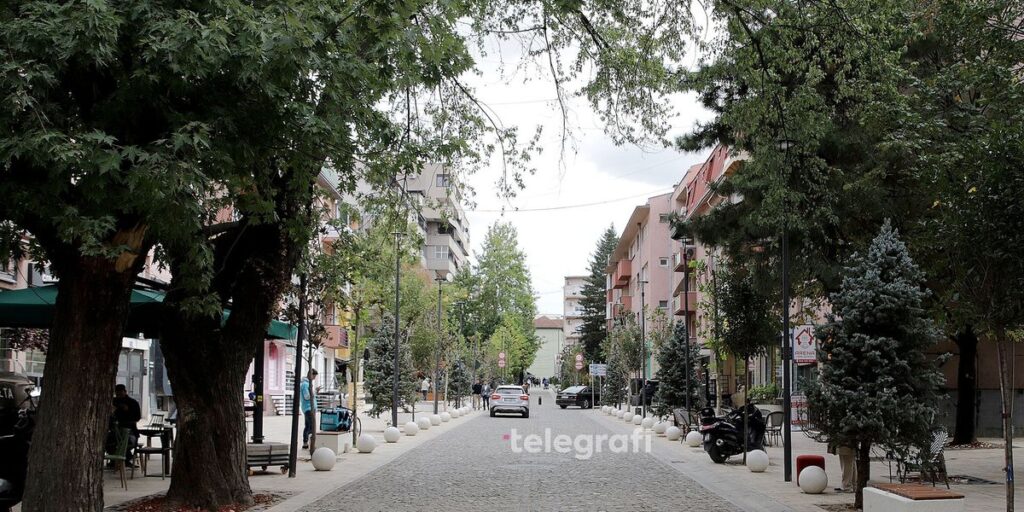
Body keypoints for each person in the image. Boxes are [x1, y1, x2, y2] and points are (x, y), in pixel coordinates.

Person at [112, 384, 141, 465]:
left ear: (125, 392)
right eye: (117, 394)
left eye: (121, 394)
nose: (119, 396)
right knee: (110, 441)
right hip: (115, 431)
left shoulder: (133, 403)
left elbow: (137, 417)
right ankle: (115, 459)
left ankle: (125, 459)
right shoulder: (114, 402)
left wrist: (127, 411)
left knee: (126, 442)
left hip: (130, 431)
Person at [301, 369, 318, 449]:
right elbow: (307, 396)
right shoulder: (305, 384)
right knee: (311, 426)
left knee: (308, 426)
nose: (314, 378)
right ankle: (311, 444)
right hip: (308, 408)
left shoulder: (307, 384)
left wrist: (315, 391)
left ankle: (306, 443)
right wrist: (315, 391)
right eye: (314, 376)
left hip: (310, 407)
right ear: (310, 374)